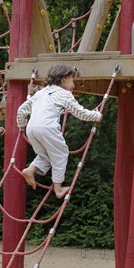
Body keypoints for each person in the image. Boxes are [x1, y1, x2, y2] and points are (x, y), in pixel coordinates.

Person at [17, 63, 102, 198]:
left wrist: (22, 125)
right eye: (72, 80)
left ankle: (30, 170)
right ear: (63, 79)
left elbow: (21, 110)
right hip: (47, 128)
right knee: (61, 153)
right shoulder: (64, 94)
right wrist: (97, 115)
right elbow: (80, 113)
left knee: (46, 155)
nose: (73, 85)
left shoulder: (40, 93)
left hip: (31, 129)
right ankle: (58, 188)